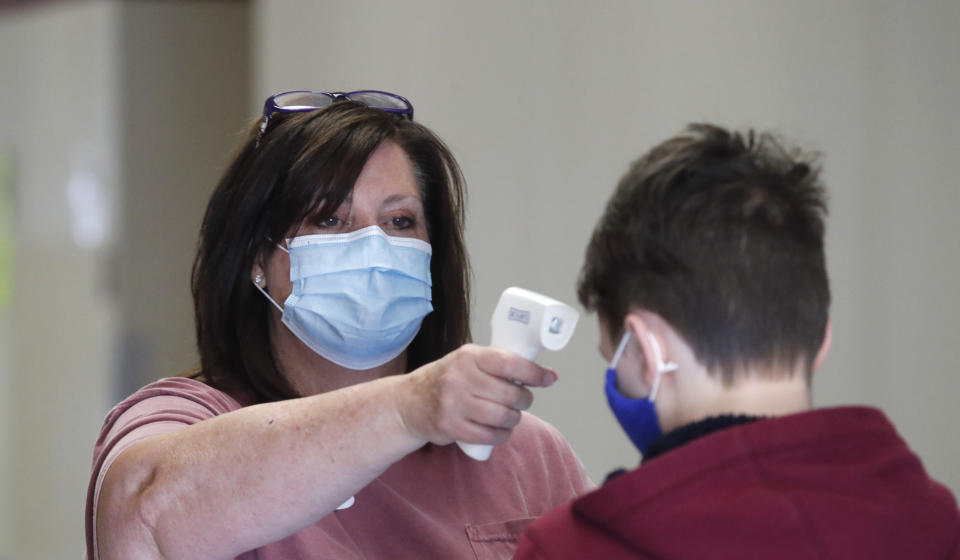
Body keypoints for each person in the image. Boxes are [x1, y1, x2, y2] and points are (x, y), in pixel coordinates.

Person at [85, 90, 592, 560]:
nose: (374, 247)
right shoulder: (185, 418)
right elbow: (142, 519)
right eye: (329, 219)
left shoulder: (524, 452)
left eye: (400, 222)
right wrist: (407, 409)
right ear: (257, 256)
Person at [514, 124, 960, 559]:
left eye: (615, 362)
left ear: (649, 351)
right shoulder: (937, 524)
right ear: (821, 337)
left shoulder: (568, 549)